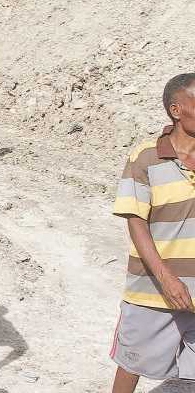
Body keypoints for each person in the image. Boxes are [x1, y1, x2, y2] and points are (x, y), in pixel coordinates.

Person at [110, 73, 195, 393]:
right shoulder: (146, 157)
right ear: (176, 110)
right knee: (132, 365)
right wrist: (167, 278)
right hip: (154, 292)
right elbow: (136, 221)